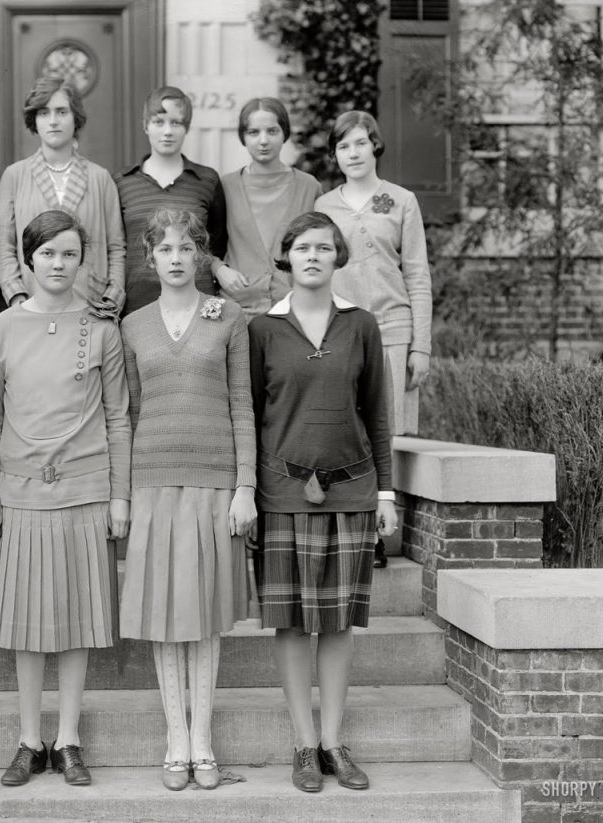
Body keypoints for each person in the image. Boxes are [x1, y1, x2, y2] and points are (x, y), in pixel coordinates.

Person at [248, 211, 397, 794]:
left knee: (336, 625)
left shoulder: (362, 326)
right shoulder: (262, 330)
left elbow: (377, 414)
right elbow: (250, 417)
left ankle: (334, 743)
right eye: (302, 248)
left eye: (323, 247)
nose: (312, 256)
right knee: (290, 625)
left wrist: (385, 493)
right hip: (282, 494)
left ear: (338, 257)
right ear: (286, 257)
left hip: (351, 492)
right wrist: (249, 492)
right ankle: (304, 744)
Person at [0, 210, 131, 788]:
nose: (58, 264)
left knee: (76, 618)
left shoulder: (102, 330)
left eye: (69, 254)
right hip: (21, 493)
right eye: (47, 253)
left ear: (82, 260)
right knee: (27, 623)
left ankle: (67, 738)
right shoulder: (2, 328)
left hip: (86, 491)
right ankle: (28, 739)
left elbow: (118, 417)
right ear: (27, 261)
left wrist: (119, 497)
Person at [119, 208, 256, 791]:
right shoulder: (133, 325)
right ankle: (175, 740)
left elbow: (242, 404)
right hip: (152, 481)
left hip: (214, 481)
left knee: (203, 618)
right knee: (164, 616)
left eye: (185, 248)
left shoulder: (227, 317)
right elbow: (127, 413)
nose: (175, 258)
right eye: (165, 249)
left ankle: (203, 741)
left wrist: (245, 486)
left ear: (201, 255)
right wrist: (123, 493)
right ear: (149, 258)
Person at [315, 110, 431, 568]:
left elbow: (417, 275)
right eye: (344, 146)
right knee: (347, 428)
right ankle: (351, 527)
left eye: (361, 142)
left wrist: (421, 345)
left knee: (387, 432)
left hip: (392, 330)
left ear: (375, 145)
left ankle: (380, 533)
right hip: (343, 331)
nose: (353, 153)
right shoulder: (325, 206)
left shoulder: (401, 201)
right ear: (335, 154)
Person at [0, 76, 125, 313]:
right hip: (32, 305)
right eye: (44, 113)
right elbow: (5, 245)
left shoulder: (100, 178)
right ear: (34, 120)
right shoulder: (15, 176)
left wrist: (111, 301)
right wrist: (17, 298)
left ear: (76, 117)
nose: (53, 121)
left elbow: (116, 248)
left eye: (62, 112)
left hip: (90, 306)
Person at [114, 86, 228, 316]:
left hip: (199, 304)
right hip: (138, 305)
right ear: (145, 125)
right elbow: (116, 247)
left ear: (187, 127)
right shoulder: (122, 182)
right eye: (159, 122)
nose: (167, 131)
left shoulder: (206, 180)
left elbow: (217, 242)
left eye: (176, 123)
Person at [219, 97, 322, 319]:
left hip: (295, 312)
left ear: (284, 133)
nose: (263, 140)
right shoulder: (226, 186)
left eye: (272, 131)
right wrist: (218, 269)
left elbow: (324, 245)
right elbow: (206, 243)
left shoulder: (308, 187)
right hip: (239, 312)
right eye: (254, 132)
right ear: (243, 137)